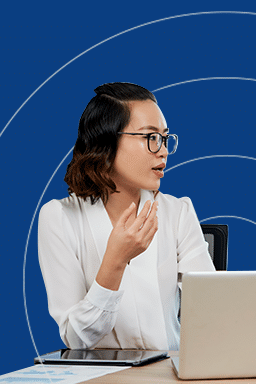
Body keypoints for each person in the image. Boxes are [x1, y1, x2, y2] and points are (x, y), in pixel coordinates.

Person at [38, 82, 215, 351]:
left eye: (165, 138)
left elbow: (212, 310)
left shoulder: (177, 212)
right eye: (150, 138)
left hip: (168, 373)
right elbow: (77, 339)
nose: (163, 150)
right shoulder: (60, 218)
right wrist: (116, 260)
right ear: (106, 142)